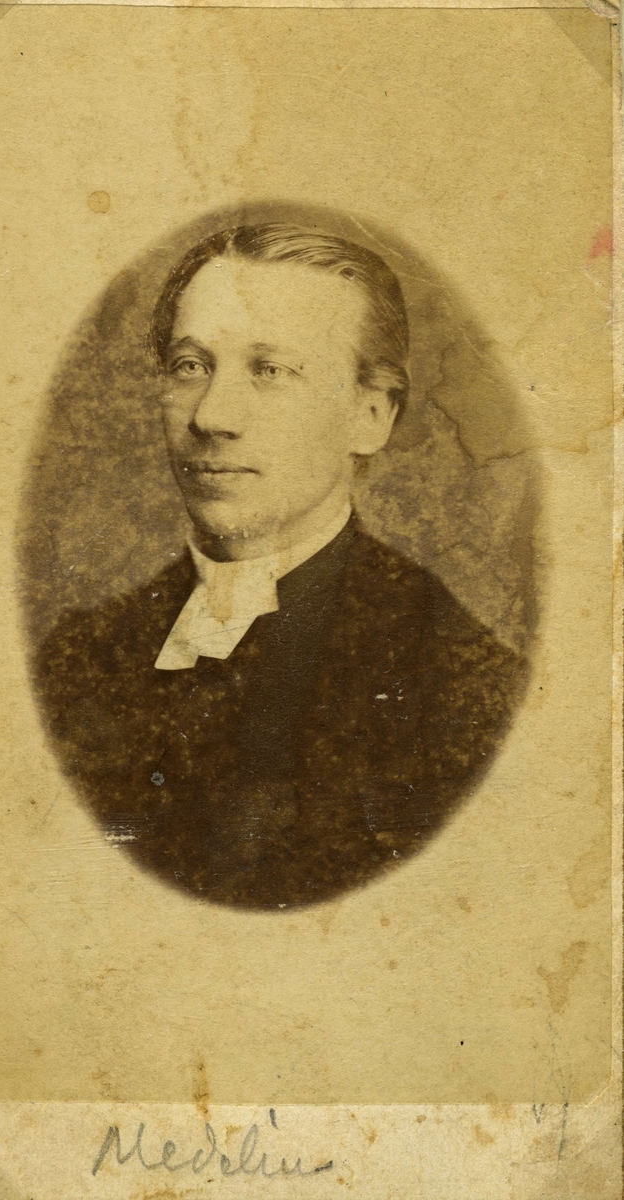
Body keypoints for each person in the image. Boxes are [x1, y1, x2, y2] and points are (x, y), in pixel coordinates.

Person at [33, 224, 527, 909]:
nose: (213, 417)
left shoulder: (465, 689)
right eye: (190, 366)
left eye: (271, 370)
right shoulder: (75, 658)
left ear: (370, 416)